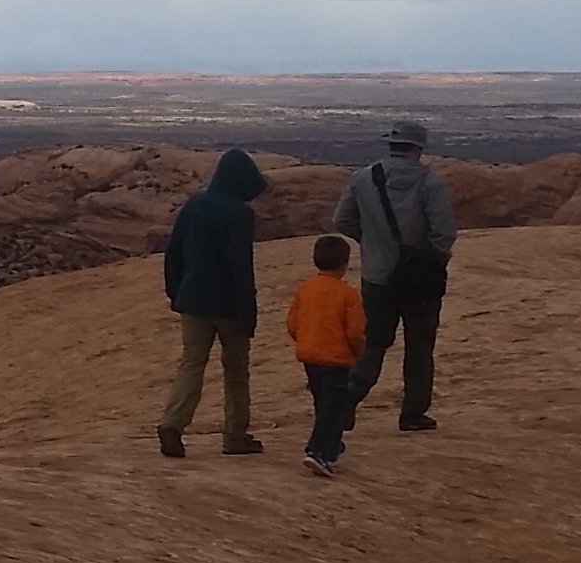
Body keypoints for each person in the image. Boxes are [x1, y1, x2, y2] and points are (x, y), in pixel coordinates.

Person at [335, 119, 457, 432]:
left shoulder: (363, 178)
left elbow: (343, 220)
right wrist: (429, 261)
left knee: (373, 343)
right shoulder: (429, 183)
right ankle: (413, 413)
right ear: (418, 149)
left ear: (391, 145)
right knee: (419, 347)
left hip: (376, 278)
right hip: (421, 283)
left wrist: (373, 242)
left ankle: (346, 402)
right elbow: (443, 232)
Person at [159, 148, 269, 458]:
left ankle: (172, 424)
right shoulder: (239, 213)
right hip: (228, 305)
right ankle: (235, 436)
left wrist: (176, 293)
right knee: (236, 370)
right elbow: (240, 267)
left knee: (192, 363)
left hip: (193, 301)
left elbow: (173, 253)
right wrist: (248, 312)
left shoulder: (194, 205)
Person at [285, 234, 367, 477]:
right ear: (345, 263)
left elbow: (292, 322)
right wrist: (358, 351)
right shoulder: (347, 294)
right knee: (333, 408)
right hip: (336, 358)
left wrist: (304, 340)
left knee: (323, 402)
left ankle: (332, 446)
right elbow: (354, 331)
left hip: (310, 355)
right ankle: (318, 451)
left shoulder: (305, 288)